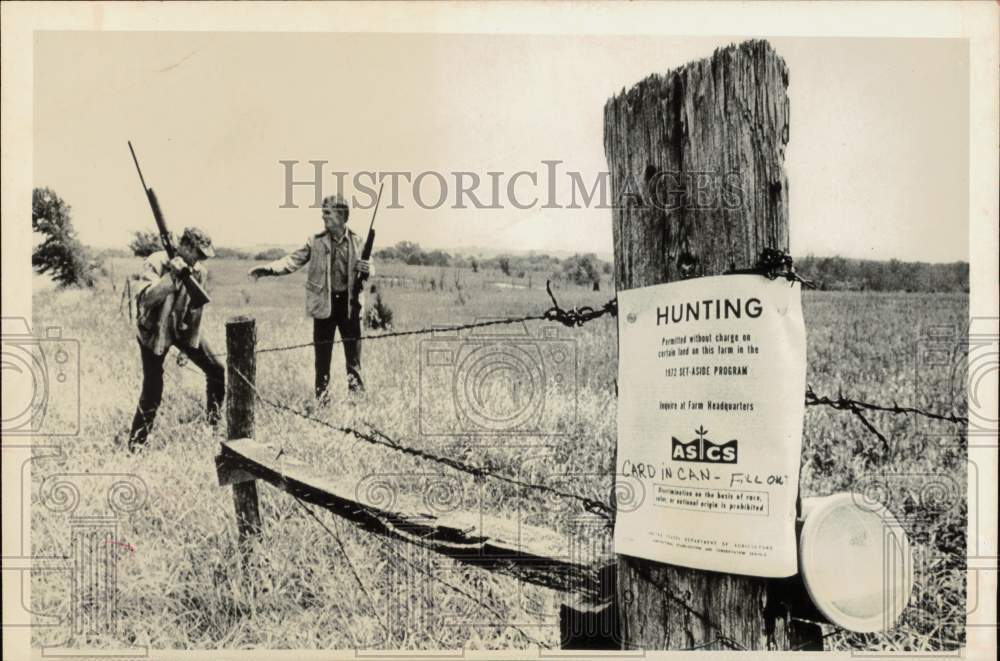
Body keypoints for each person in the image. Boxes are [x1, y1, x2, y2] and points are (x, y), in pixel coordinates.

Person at [248, 194, 372, 398]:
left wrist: (368, 268)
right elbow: (293, 260)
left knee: (354, 361)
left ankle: (357, 404)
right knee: (322, 361)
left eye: (328, 213)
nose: (323, 217)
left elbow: (370, 266)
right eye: (323, 212)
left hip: (350, 307)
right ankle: (322, 403)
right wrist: (268, 269)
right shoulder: (315, 241)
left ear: (342, 215)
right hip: (324, 306)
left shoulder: (358, 241)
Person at [128, 227, 223, 451]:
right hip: (153, 332)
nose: (200, 260)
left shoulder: (199, 271)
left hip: (180, 329)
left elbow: (195, 311)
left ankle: (212, 426)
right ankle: (136, 446)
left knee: (217, 370)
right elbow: (146, 299)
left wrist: (187, 347)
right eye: (198, 253)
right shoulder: (157, 262)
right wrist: (171, 276)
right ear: (186, 247)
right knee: (153, 389)